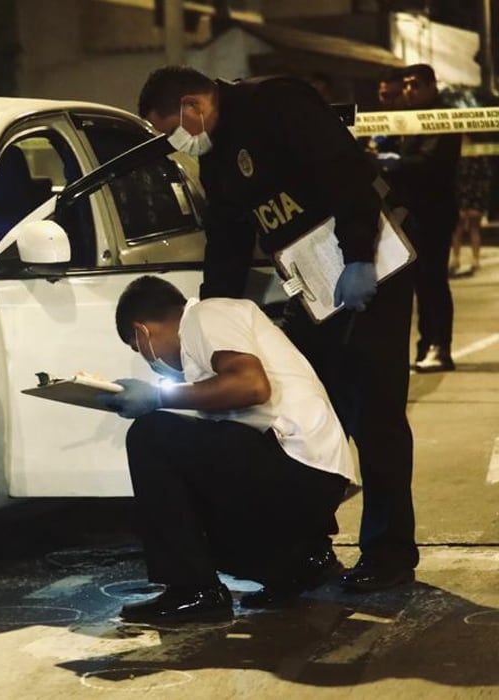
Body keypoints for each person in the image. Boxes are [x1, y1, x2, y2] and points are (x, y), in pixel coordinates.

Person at [136, 66, 419, 594]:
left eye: (170, 129)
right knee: (306, 409)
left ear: (194, 105)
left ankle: (390, 551)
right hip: (314, 290)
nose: (174, 143)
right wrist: (209, 314)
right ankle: (309, 548)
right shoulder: (218, 159)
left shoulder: (276, 106)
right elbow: (227, 243)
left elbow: (344, 172)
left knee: (375, 413)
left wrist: (358, 256)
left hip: (369, 273)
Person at [97, 276, 353, 623]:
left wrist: (158, 398)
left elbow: (251, 386)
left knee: (148, 435)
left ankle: (192, 590)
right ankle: (301, 560)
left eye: (136, 347)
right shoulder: (203, 351)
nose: (146, 360)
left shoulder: (206, 315)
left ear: (142, 331)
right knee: (179, 448)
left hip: (296, 464)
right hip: (310, 475)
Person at [386, 64, 462, 372]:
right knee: (420, 282)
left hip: (434, 212)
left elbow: (430, 163)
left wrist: (394, 163)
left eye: (415, 85)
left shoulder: (441, 116)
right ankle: (425, 345)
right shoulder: (411, 118)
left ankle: (439, 347)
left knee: (433, 281)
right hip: (414, 212)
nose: (408, 90)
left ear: (432, 86)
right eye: (405, 85)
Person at [450, 135, 489, 276]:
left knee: (472, 228)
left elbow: (485, 176)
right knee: (458, 229)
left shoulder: (478, 153)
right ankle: (456, 258)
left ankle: (474, 259)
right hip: (462, 194)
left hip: (472, 195)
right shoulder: (456, 153)